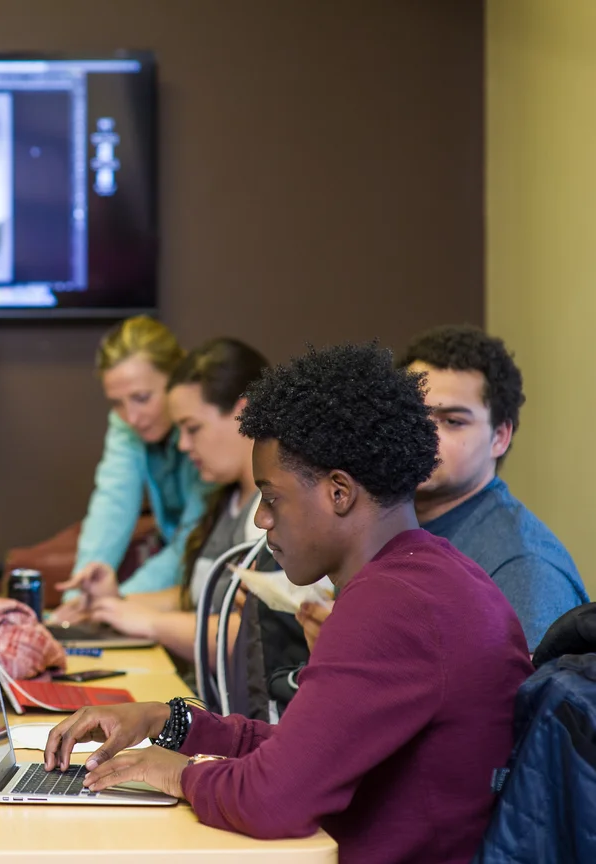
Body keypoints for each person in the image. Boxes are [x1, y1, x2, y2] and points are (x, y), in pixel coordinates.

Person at [44, 343, 533, 864]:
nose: (261, 520)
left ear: (339, 493)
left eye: (272, 497)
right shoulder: (432, 574)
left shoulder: (393, 604)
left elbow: (273, 797)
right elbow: (306, 749)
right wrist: (173, 723)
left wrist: (176, 774)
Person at [297, 325, 587, 652]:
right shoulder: (385, 526)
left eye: (452, 421)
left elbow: (516, 700)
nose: (423, 434)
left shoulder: (525, 567)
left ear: (500, 437)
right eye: (412, 414)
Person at [74, 338, 271, 665]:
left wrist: (150, 623)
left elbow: (255, 640)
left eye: (193, 428)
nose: (182, 445)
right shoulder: (229, 499)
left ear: (244, 414)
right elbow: (199, 598)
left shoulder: (270, 514)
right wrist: (115, 602)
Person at [53, 316, 210, 618]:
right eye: (117, 403)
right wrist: (79, 596)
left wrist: (113, 603)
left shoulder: (204, 427)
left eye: (141, 398)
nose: (132, 417)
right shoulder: (125, 423)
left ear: (178, 377)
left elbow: (191, 540)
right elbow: (111, 507)